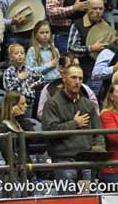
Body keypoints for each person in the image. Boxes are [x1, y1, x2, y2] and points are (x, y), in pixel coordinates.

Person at [42, 64, 105, 193]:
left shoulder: (87, 104)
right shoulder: (52, 103)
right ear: (64, 78)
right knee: (67, 203)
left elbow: (98, 132)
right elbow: (50, 131)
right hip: (64, 160)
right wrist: (74, 123)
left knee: (89, 203)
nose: (77, 82)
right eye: (74, 78)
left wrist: (98, 149)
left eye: (80, 79)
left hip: (87, 159)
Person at [37, 53, 99, 120]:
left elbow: (96, 112)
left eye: (77, 66)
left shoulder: (85, 89)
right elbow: (41, 114)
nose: (75, 69)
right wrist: (69, 120)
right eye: (70, 66)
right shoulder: (49, 89)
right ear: (61, 68)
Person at [67, 0, 110, 82]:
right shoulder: (78, 25)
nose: (98, 11)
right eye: (94, 8)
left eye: (100, 8)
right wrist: (91, 48)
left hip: (103, 70)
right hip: (83, 71)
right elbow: (71, 47)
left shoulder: (107, 25)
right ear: (87, 9)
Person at [3, 44, 44, 119]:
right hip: (15, 103)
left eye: (22, 53)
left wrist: (34, 84)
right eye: (16, 53)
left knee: (27, 121)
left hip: (28, 102)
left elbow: (41, 78)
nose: (20, 55)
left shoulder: (29, 70)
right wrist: (19, 79)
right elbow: (8, 88)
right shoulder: (8, 71)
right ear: (11, 57)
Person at [0, 91, 33, 162]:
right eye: (22, 104)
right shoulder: (3, 127)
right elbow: (7, 154)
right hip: (14, 168)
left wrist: (20, 119)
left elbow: (33, 139)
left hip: (28, 163)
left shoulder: (25, 122)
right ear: (13, 107)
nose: (26, 106)